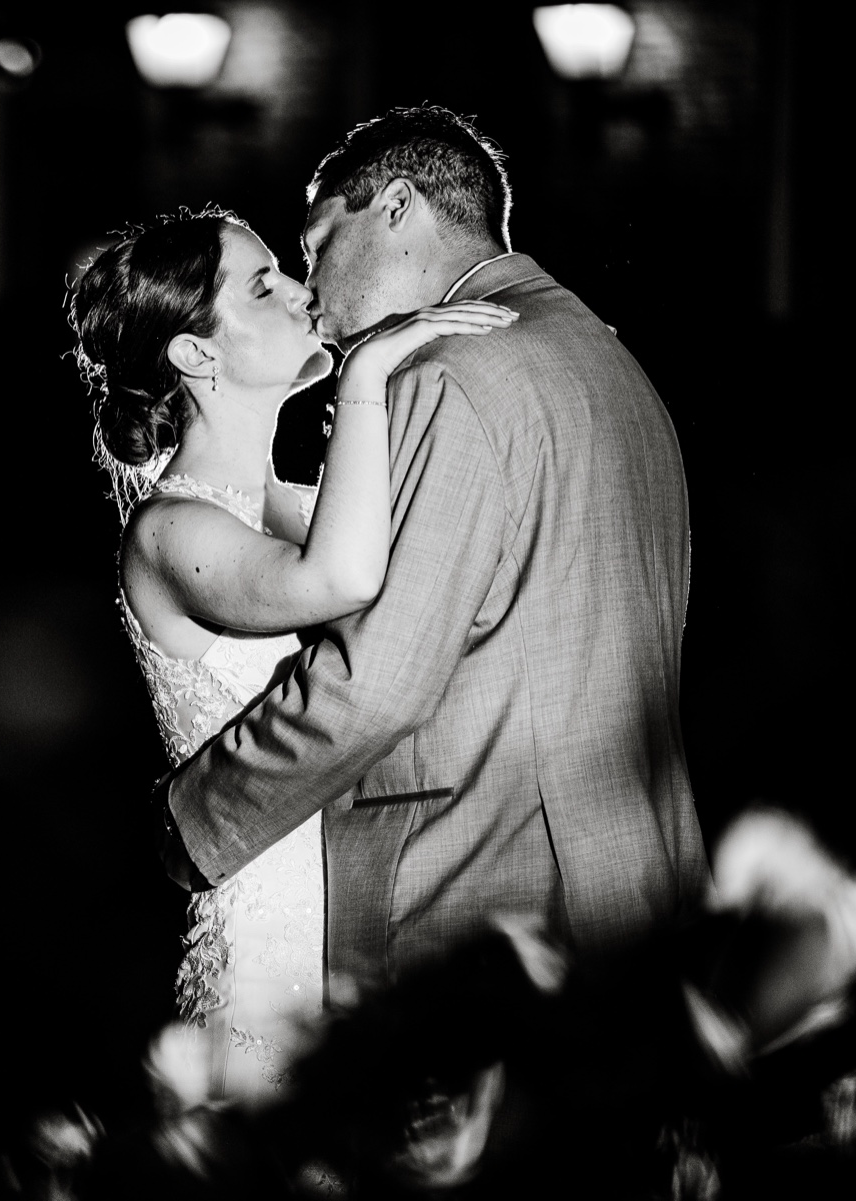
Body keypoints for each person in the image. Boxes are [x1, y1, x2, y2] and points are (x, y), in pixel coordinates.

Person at [152, 106, 708, 1000]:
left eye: (317, 244)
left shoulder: (448, 373)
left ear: (397, 207)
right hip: (634, 882)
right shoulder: (608, 360)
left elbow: (379, 680)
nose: (311, 286)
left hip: (489, 899)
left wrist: (196, 818)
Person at [67, 205, 516, 1101]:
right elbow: (340, 579)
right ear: (196, 354)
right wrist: (368, 371)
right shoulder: (169, 529)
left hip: (365, 901)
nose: (303, 294)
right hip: (274, 930)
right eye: (263, 286)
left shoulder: (283, 499)